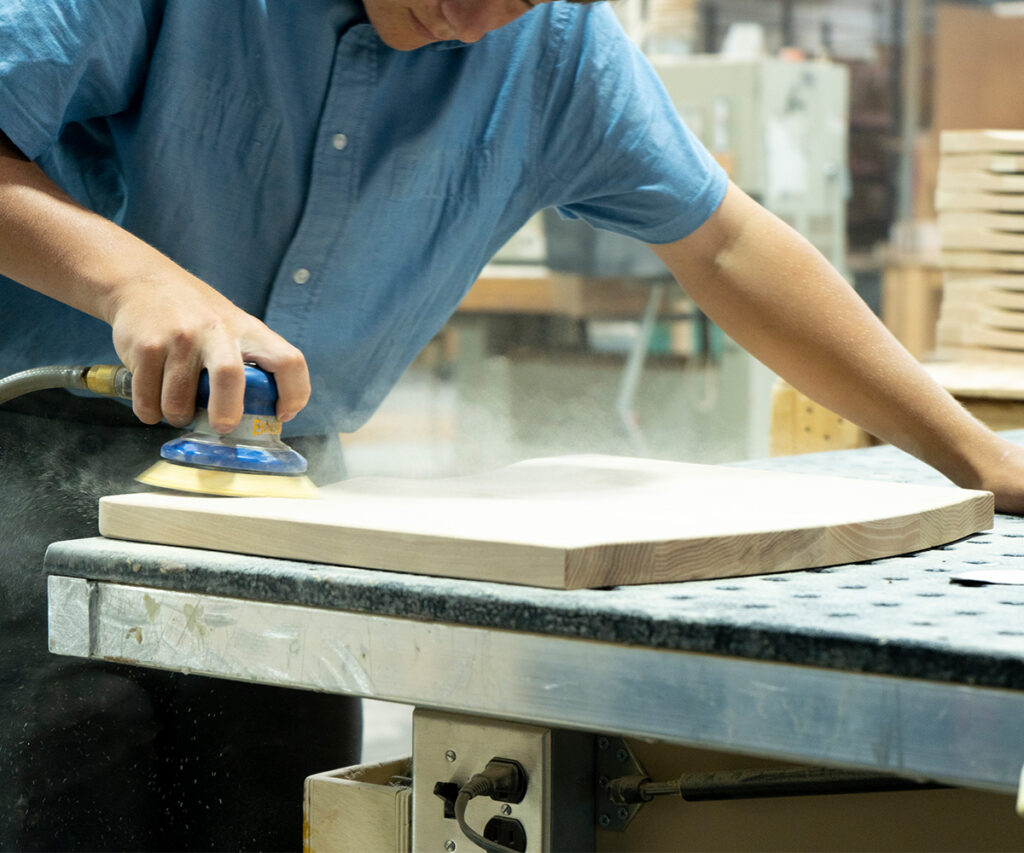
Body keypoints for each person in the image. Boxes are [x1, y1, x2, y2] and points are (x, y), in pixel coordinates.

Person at [3, 0, 1024, 849]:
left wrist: (977, 454)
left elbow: (726, 249)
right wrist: (130, 280)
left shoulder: (555, 48)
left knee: (271, 813)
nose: (479, 15)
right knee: (57, 802)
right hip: (27, 451)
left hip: (280, 487)